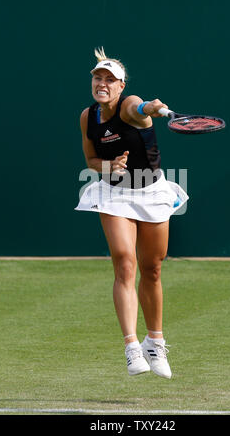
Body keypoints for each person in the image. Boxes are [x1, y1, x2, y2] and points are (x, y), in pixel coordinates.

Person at [75, 47, 188, 379]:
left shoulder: (128, 103)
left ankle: (155, 341)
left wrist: (150, 107)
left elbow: (141, 108)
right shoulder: (87, 117)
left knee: (152, 269)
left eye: (110, 80)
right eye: (98, 77)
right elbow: (90, 161)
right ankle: (131, 347)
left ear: (121, 86)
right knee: (125, 262)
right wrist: (107, 166)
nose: (102, 83)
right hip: (113, 194)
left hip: (151, 191)